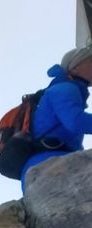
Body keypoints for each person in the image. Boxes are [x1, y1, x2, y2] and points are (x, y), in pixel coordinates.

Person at [21, 45, 92, 190]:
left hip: (46, 167)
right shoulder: (64, 89)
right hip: (49, 167)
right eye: (90, 61)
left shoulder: (67, 90)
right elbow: (76, 121)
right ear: (74, 68)